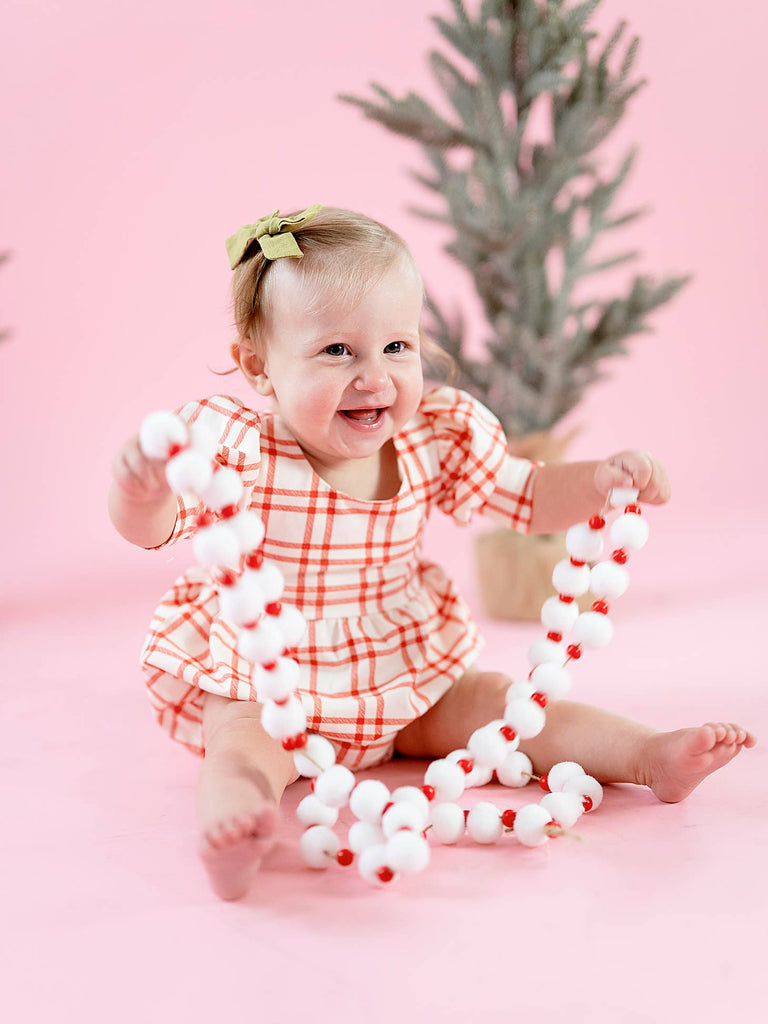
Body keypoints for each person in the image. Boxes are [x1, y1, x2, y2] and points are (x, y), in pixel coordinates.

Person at [109, 205, 755, 900]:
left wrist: (599, 480)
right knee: (236, 748)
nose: (374, 377)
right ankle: (236, 830)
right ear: (259, 368)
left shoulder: (432, 438)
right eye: (337, 351)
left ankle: (645, 755)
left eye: (396, 347)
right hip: (267, 679)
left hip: (401, 667)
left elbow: (528, 495)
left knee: (502, 707)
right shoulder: (238, 449)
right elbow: (157, 525)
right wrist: (141, 490)